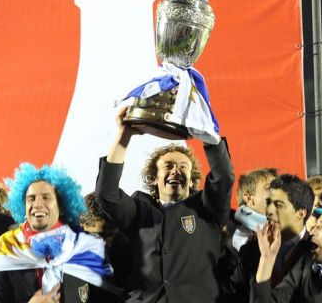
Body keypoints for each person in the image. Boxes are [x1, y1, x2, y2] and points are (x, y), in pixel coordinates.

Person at [95, 108, 234, 302]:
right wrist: (124, 136)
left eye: (183, 167)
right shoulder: (138, 210)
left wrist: (208, 136)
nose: (175, 171)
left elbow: (224, 177)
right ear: (154, 178)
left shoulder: (207, 208)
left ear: (192, 179)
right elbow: (106, 194)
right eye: (168, 166)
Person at [0, 163, 115, 303]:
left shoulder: (86, 246)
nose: (38, 204)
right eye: (31, 198)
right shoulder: (6, 248)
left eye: (46, 197)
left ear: (62, 206)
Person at [231, 174, 313, 302]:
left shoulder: (315, 254)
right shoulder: (250, 250)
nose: (269, 210)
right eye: (268, 203)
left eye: (278, 205)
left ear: (301, 214)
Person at [219, 168, 277, 300]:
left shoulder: (286, 233)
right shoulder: (223, 228)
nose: (277, 193)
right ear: (249, 198)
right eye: (270, 188)